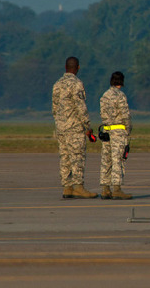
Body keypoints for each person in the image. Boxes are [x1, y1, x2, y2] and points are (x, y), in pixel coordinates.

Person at [52, 56, 97, 199]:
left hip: (61, 127)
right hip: (74, 127)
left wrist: (59, 122)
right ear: (77, 68)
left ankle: (67, 187)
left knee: (64, 157)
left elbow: (54, 107)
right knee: (77, 156)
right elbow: (80, 107)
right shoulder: (77, 84)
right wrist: (87, 126)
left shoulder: (57, 84)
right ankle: (78, 186)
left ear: (65, 68)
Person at [99, 71, 133, 200]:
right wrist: (128, 128)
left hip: (106, 130)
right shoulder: (120, 95)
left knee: (106, 160)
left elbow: (102, 113)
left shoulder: (104, 95)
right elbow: (125, 114)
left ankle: (105, 189)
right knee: (118, 160)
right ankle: (117, 189)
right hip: (118, 131)